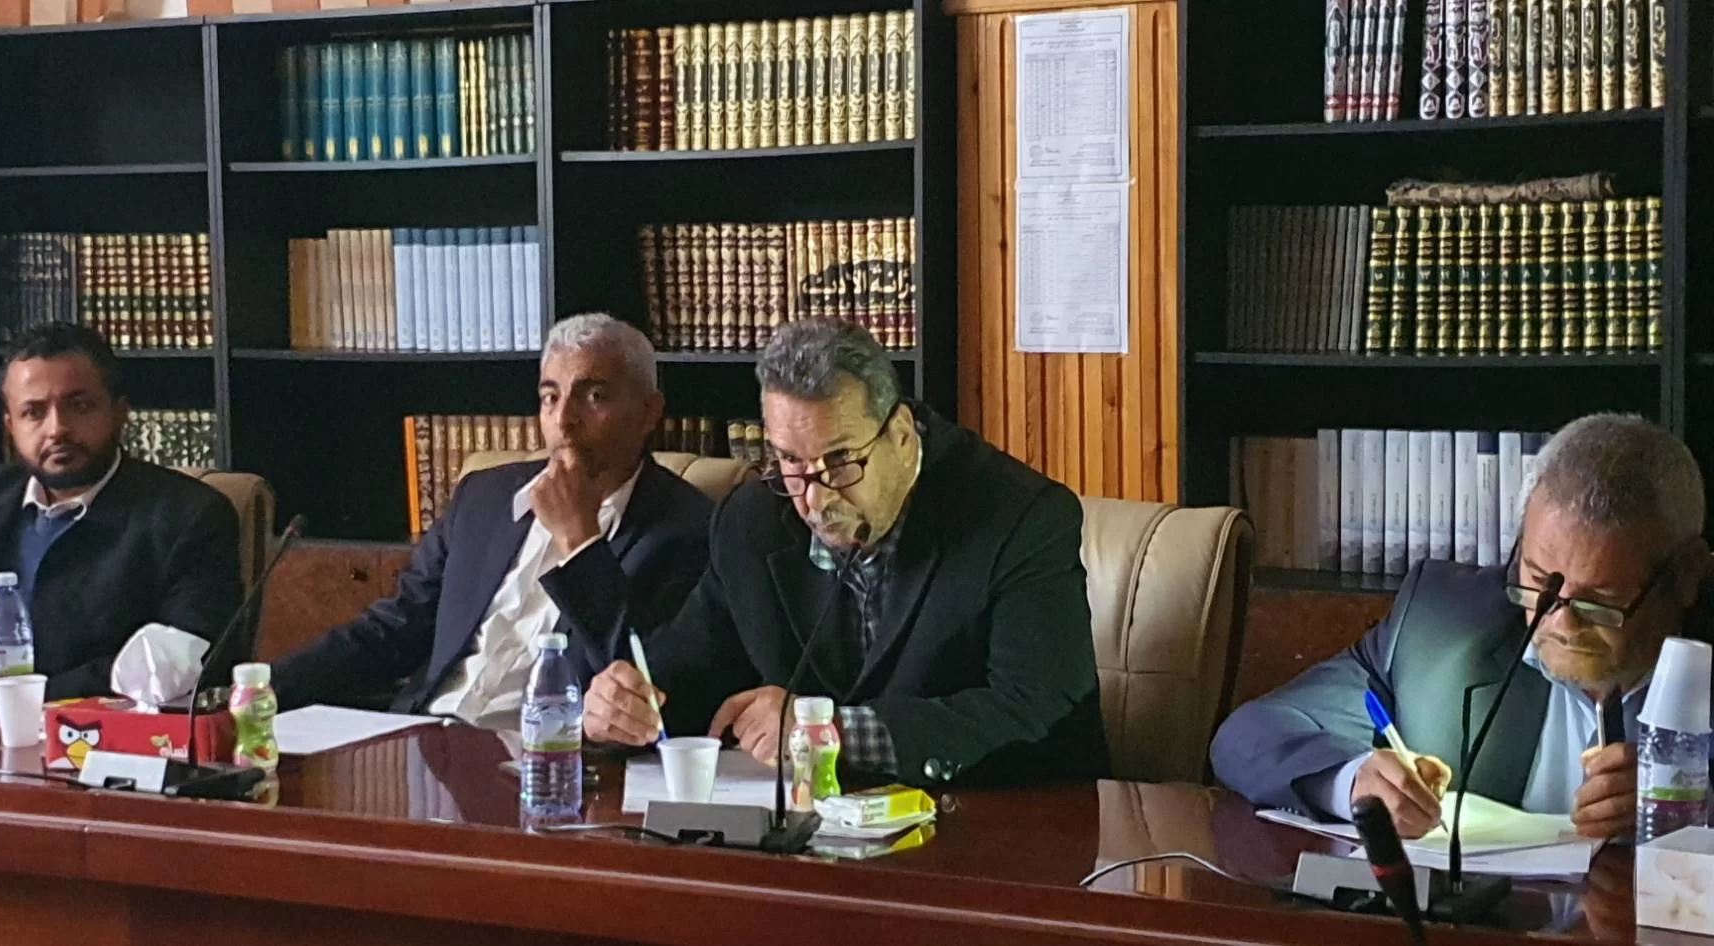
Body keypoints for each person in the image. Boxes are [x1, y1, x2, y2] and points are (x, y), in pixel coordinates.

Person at [583, 318, 1108, 788]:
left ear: (901, 436)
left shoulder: (1020, 519)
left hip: (993, 829)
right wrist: (623, 706)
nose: (816, 499)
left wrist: (832, 731)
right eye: (791, 461)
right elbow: (690, 673)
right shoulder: (751, 521)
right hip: (809, 835)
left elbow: (1038, 713)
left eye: (840, 461)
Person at [1213, 413, 1714, 840]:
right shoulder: (1443, 625)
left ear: (1687, 576)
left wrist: (1694, 811)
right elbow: (1248, 736)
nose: (1559, 621)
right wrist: (1352, 782)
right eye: (1538, 581)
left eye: (1598, 600)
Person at [270, 314, 714, 728]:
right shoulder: (483, 498)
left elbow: (647, 685)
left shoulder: (689, 530)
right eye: (550, 397)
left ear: (649, 412)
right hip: (427, 739)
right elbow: (393, 629)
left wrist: (579, 541)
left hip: (548, 758)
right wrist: (264, 690)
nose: (564, 420)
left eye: (593, 396)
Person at [0, 322, 243, 700]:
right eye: (33, 412)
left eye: (79, 406)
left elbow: (193, 657)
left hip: (68, 736)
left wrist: (17, 705)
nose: (57, 429)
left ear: (120, 412)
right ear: (10, 425)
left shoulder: (185, 516)